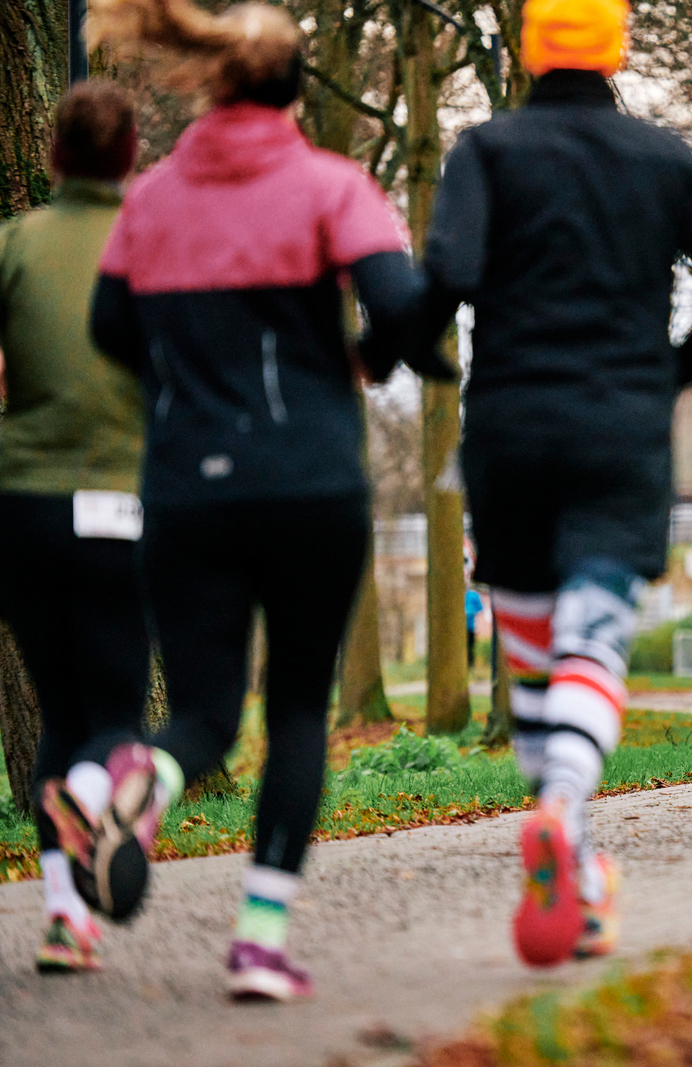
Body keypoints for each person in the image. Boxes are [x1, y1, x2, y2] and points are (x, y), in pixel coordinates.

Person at [66, 0, 453, 1001]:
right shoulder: (331, 185)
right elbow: (404, 310)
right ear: (288, 87)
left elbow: (110, 327)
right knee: (294, 710)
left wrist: (186, 387)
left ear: (212, 82)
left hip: (186, 488)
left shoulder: (148, 201)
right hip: (309, 482)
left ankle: (134, 778)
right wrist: (368, 356)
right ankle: (260, 937)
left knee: (198, 712)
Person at [418, 0, 692, 968]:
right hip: (618, 433)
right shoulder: (666, 160)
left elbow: (446, 272)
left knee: (535, 668)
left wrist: (400, 346)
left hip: (511, 431)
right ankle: (564, 813)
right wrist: (665, 373)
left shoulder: (484, 151)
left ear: (529, 49)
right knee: (593, 641)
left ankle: (579, 862)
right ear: (618, 48)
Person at [0, 81, 148, 973]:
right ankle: (92, 798)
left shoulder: (14, 244)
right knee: (118, 713)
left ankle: (66, 916)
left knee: (59, 707)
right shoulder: (152, 245)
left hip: (19, 505)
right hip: (123, 506)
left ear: (55, 156)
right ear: (133, 156)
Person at [466, 586, 484, 668]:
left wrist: (479, 627)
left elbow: (480, 612)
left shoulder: (473, 595)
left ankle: (470, 667)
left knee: (470, 647)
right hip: (456, 630)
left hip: (470, 626)